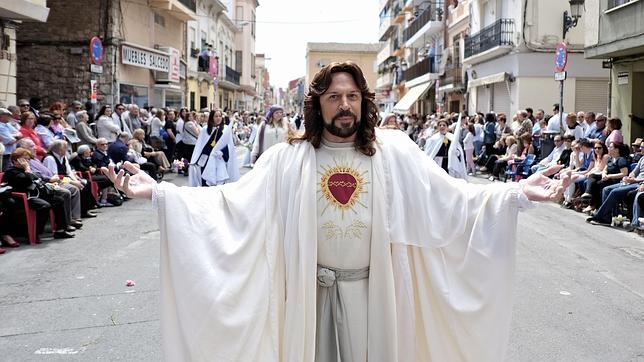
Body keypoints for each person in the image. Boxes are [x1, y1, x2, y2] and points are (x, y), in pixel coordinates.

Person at [105, 61, 569, 362]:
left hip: (376, 296)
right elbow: (231, 206)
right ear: (317, 105)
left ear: (364, 102)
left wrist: (516, 194)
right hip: (311, 296)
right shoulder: (287, 160)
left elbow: (457, 200)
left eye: (352, 96)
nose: (345, 105)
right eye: (333, 97)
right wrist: (161, 195)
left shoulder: (396, 152)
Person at [4, 148, 74, 239]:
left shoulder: (26, 169)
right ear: (16, 161)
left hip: (36, 194)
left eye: (28, 159)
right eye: (25, 159)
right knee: (45, 206)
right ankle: (34, 232)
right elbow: (26, 181)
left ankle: (60, 230)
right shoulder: (11, 171)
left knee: (59, 200)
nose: (28, 161)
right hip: (25, 198)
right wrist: (27, 169)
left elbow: (37, 179)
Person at [188, 109, 239, 187]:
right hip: (206, 160)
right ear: (212, 118)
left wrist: (222, 152)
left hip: (219, 160)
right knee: (206, 184)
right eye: (216, 116)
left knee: (219, 183)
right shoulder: (205, 130)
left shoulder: (225, 129)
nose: (218, 118)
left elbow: (229, 145)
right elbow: (200, 146)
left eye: (220, 116)